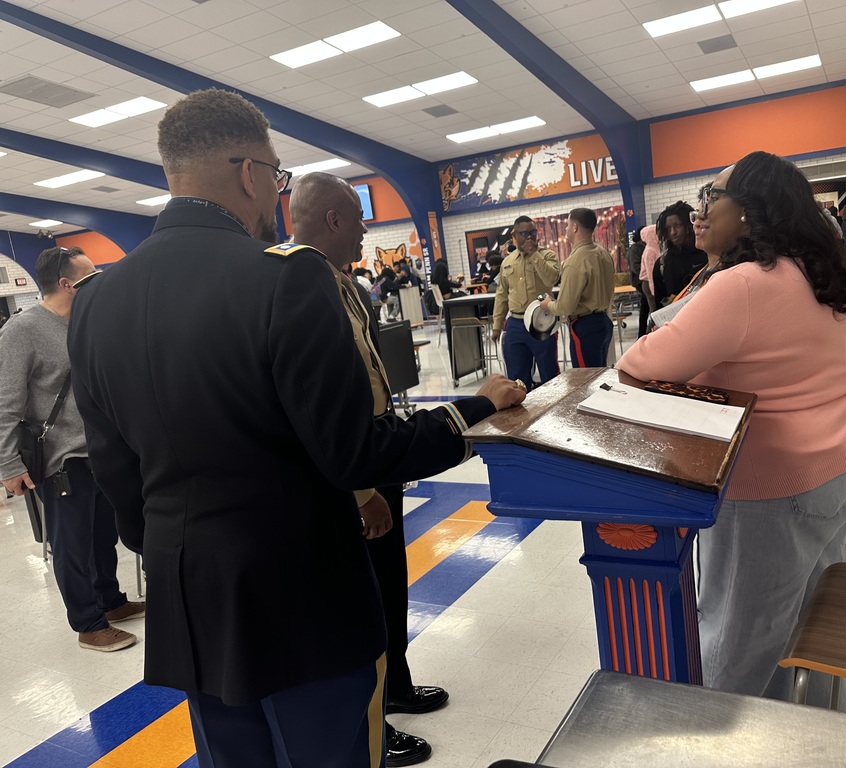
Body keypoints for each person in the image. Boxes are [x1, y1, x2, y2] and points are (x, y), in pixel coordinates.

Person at [66, 88, 526, 768]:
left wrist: (169, 544)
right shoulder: (285, 279)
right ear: (250, 172)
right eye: (276, 178)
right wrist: (472, 409)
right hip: (301, 592)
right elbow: (352, 453)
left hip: (191, 595)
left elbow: (112, 464)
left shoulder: (97, 299)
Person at [617, 151, 846, 711]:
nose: (699, 210)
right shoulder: (809, 266)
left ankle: (734, 738)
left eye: (714, 196)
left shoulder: (744, 284)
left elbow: (640, 364)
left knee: (741, 639)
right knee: (815, 615)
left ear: (753, 211)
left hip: (778, 483)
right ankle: (823, 729)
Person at [289, 172, 454, 766]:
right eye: (357, 220)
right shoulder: (298, 285)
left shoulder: (342, 282)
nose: (364, 231)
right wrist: (361, 492)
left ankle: (399, 681)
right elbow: (321, 403)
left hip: (377, 451)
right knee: (366, 599)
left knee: (390, 584)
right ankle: (375, 724)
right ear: (333, 220)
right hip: (351, 469)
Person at [0, 246, 144, 653]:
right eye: (89, 274)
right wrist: (8, 464)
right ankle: (88, 623)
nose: (97, 279)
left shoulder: (86, 323)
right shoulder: (22, 330)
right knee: (72, 544)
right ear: (67, 283)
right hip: (60, 457)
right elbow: (5, 402)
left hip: (98, 451)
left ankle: (110, 602)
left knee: (102, 537)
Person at [491, 216, 561, 391]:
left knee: (549, 373)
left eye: (532, 232)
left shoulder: (548, 255)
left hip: (541, 321)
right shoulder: (507, 261)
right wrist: (497, 325)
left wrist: (534, 255)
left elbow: (551, 278)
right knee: (516, 379)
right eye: (524, 233)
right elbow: (502, 295)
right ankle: (522, 417)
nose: (529, 237)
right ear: (515, 235)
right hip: (515, 323)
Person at [539, 208, 614, 368]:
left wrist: (547, 305)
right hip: (603, 322)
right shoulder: (603, 254)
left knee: (585, 380)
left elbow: (565, 307)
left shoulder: (575, 261)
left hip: (585, 328)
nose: (565, 229)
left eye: (567, 225)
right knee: (599, 375)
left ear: (574, 227)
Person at [651, 201, 707, 308]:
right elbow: (658, 305)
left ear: (689, 225)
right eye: (668, 229)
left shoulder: (708, 255)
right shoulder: (662, 264)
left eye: (678, 226)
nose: (673, 232)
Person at [624, 227, 648, 335]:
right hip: (641, 282)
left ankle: (643, 333)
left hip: (646, 280)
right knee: (645, 308)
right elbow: (635, 267)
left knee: (645, 307)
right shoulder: (635, 249)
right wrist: (648, 274)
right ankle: (642, 333)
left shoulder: (646, 246)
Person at [637, 224, 660, 335]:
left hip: (652, 284)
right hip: (649, 284)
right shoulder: (650, 251)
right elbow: (651, 273)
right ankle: (650, 335)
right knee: (654, 312)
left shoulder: (654, 249)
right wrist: (654, 290)